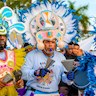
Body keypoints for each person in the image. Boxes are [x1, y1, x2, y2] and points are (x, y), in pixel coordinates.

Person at [0, 6, 26, 96]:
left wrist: (19, 84)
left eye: (4, 35)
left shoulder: (14, 55)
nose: (2, 38)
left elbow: (17, 82)